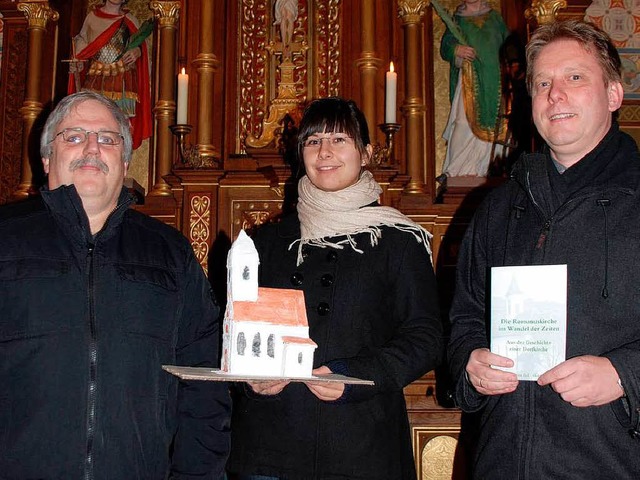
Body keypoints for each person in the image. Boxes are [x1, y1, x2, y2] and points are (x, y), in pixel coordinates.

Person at [0, 91, 230, 478]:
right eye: (73, 137)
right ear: (45, 160)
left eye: (107, 139)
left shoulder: (169, 252)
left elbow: (204, 382)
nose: (92, 147)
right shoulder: (6, 239)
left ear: (124, 162)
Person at [448, 20, 640, 478]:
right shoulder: (496, 207)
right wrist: (471, 362)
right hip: (503, 461)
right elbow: (465, 318)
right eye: (543, 83)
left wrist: (624, 376)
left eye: (575, 77)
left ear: (614, 95)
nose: (556, 94)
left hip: (613, 461)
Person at [226, 97, 443, 479]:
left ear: (366, 153)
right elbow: (233, 329)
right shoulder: (266, 242)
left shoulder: (397, 240)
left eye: (339, 140)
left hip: (360, 445)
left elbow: (425, 337)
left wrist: (355, 376)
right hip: (269, 449)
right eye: (313, 141)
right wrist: (248, 378)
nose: (324, 152)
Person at [439, 0, 509, 178]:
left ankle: (488, 169)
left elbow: (509, 46)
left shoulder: (495, 19)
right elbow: (446, 46)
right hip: (470, 81)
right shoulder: (458, 20)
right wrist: (457, 49)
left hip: (495, 83)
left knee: (497, 125)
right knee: (463, 123)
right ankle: (457, 171)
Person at [69, 0, 152, 149]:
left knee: (119, 122)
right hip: (97, 75)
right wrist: (78, 58)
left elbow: (142, 47)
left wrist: (137, 51)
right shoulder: (92, 17)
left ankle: (117, 157)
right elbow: (82, 42)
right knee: (92, 116)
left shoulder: (130, 20)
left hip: (122, 78)